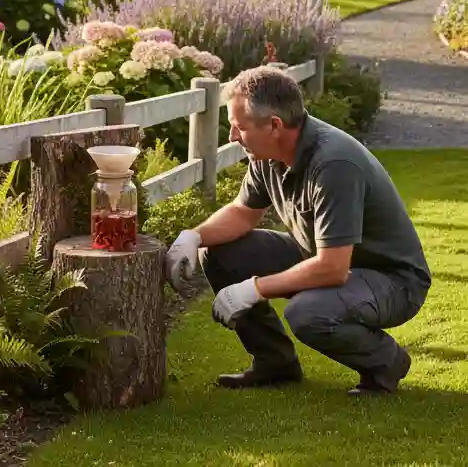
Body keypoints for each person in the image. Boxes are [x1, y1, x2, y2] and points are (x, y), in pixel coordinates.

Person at [165, 65, 430, 396]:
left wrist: (254, 289)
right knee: (219, 252)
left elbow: (333, 268)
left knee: (308, 313)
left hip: (391, 280)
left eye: (238, 127)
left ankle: (385, 363)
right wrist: (194, 236)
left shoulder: (334, 164)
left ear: (274, 125)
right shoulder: (267, 152)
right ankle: (274, 364)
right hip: (325, 258)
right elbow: (243, 213)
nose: (232, 137)